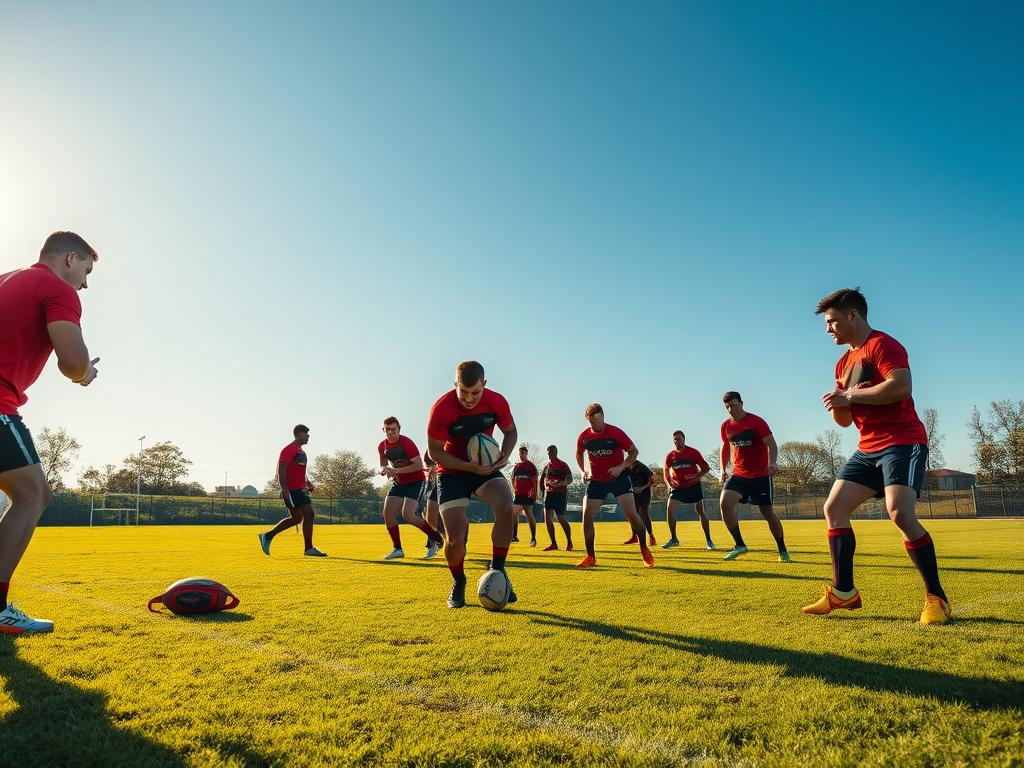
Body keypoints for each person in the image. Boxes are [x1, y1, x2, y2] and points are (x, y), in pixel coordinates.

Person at [803, 288, 950, 625]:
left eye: (832, 321)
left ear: (853, 315)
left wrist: (850, 394)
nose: (829, 329)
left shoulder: (883, 344)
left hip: (902, 441)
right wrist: (837, 405)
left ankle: (937, 599)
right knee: (834, 509)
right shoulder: (843, 362)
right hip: (867, 447)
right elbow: (845, 420)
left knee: (899, 513)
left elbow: (900, 387)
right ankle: (843, 592)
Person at [0, 232, 100, 633]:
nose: (86, 284)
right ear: (70, 259)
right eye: (87, 272)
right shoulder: (57, 288)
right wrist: (85, 373)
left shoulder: (8, 277)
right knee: (33, 493)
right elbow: (72, 362)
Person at [427, 361, 519, 609]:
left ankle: (498, 572)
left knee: (505, 505)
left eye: (475, 392)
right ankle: (459, 581)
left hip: (485, 467)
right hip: (452, 470)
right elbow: (435, 452)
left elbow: (510, 431)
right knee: (455, 539)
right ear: (455, 384)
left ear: (484, 385)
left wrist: (505, 455)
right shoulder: (442, 408)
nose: (469, 399)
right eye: (463, 392)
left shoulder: (497, 401)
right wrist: (467, 466)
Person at [574, 404, 653, 568]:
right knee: (587, 516)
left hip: (619, 478)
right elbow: (579, 453)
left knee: (631, 514)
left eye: (596, 420)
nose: (594, 425)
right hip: (597, 481)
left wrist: (621, 467)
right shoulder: (584, 436)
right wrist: (582, 471)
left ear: (603, 416)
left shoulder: (615, 432)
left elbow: (634, 452)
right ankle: (590, 556)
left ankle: (644, 547)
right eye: (590, 422)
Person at [718, 392, 790, 562]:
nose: (730, 409)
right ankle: (740, 545)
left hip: (760, 476)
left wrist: (772, 463)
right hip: (738, 476)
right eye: (727, 407)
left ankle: (782, 551)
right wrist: (722, 469)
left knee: (767, 512)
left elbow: (771, 443)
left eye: (733, 405)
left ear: (742, 403)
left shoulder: (757, 422)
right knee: (724, 503)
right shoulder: (726, 426)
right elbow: (725, 447)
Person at [377, 417, 444, 560]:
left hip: (416, 481)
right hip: (399, 482)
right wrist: (384, 470)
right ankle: (398, 549)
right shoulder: (382, 446)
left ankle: (436, 538)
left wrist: (395, 471)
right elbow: (383, 462)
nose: (390, 432)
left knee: (408, 514)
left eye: (393, 429)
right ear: (384, 430)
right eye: (387, 429)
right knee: (387, 513)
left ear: (399, 429)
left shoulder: (406, 443)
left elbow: (418, 465)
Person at [258, 425, 326, 557]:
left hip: (300, 488)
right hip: (293, 489)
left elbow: (298, 470)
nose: (308, 436)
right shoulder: (289, 450)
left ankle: (267, 536)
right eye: (306, 434)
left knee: (296, 518)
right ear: (299, 434)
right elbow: (281, 469)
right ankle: (308, 548)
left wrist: (307, 482)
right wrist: (284, 489)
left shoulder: (301, 452)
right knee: (309, 514)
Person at [662, 431, 714, 550]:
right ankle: (674, 539)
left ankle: (709, 541)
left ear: (684, 439)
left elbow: (706, 468)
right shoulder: (671, 456)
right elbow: (666, 471)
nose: (677, 441)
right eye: (675, 439)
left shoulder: (693, 452)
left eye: (679, 439)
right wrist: (670, 484)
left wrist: (697, 476)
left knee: (700, 512)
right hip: (678, 487)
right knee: (669, 510)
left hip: (693, 486)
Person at [539, 445, 574, 551]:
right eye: (549, 452)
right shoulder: (547, 466)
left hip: (560, 494)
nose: (550, 454)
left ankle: (569, 542)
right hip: (549, 494)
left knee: (560, 518)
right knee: (547, 519)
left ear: (556, 452)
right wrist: (542, 489)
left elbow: (569, 479)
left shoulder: (562, 465)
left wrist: (559, 484)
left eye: (552, 452)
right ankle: (553, 543)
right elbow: (542, 479)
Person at [623, 460, 656, 546]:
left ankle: (651, 536)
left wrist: (642, 488)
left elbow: (652, 480)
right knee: (632, 514)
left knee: (644, 513)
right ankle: (634, 536)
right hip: (633, 495)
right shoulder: (626, 468)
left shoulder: (642, 467)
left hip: (644, 494)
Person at [510, 445, 539, 546]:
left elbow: (535, 481)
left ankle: (533, 538)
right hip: (518, 494)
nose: (521, 455)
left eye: (523, 453)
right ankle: (514, 536)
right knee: (514, 512)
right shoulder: (517, 467)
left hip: (528, 494)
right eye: (519, 454)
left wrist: (535, 493)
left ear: (526, 453)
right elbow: (512, 478)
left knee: (528, 513)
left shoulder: (531, 466)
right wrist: (514, 488)